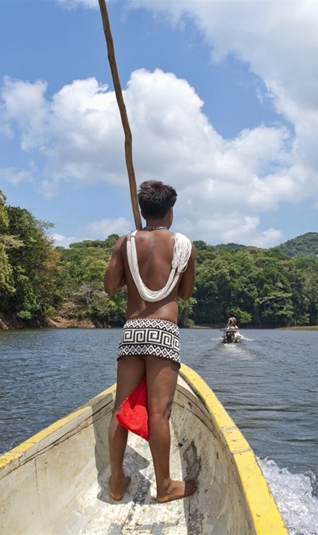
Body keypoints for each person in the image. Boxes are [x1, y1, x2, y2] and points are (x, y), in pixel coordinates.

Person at [104, 180, 198, 504]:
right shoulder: (184, 245)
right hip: (163, 331)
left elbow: (109, 286)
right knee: (159, 414)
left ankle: (116, 482)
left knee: (119, 408)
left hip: (132, 330)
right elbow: (184, 293)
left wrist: (132, 258)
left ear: (142, 211)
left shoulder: (124, 243)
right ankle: (165, 486)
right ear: (170, 212)